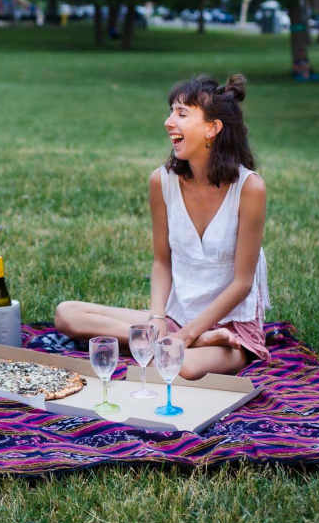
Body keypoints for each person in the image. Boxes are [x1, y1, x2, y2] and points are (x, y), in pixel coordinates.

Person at [55, 74, 270, 380]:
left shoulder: (249, 188)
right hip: (176, 318)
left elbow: (242, 283)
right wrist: (158, 318)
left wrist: (186, 336)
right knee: (67, 313)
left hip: (230, 326)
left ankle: (185, 344)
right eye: (171, 111)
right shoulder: (162, 181)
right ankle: (179, 342)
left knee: (173, 367)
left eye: (182, 114)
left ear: (213, 128)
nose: (169, 122)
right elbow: (161, 260)